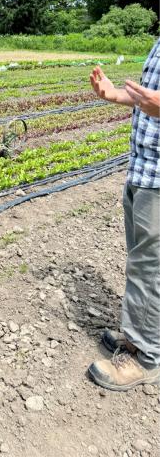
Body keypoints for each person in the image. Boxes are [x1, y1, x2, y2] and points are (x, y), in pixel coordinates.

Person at [87, 37, 160, 391]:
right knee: (142, 261)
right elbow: (150, 98)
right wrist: (114, 93)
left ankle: (145, 356)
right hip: (143, 170)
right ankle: (139, 335)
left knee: (149, 266)